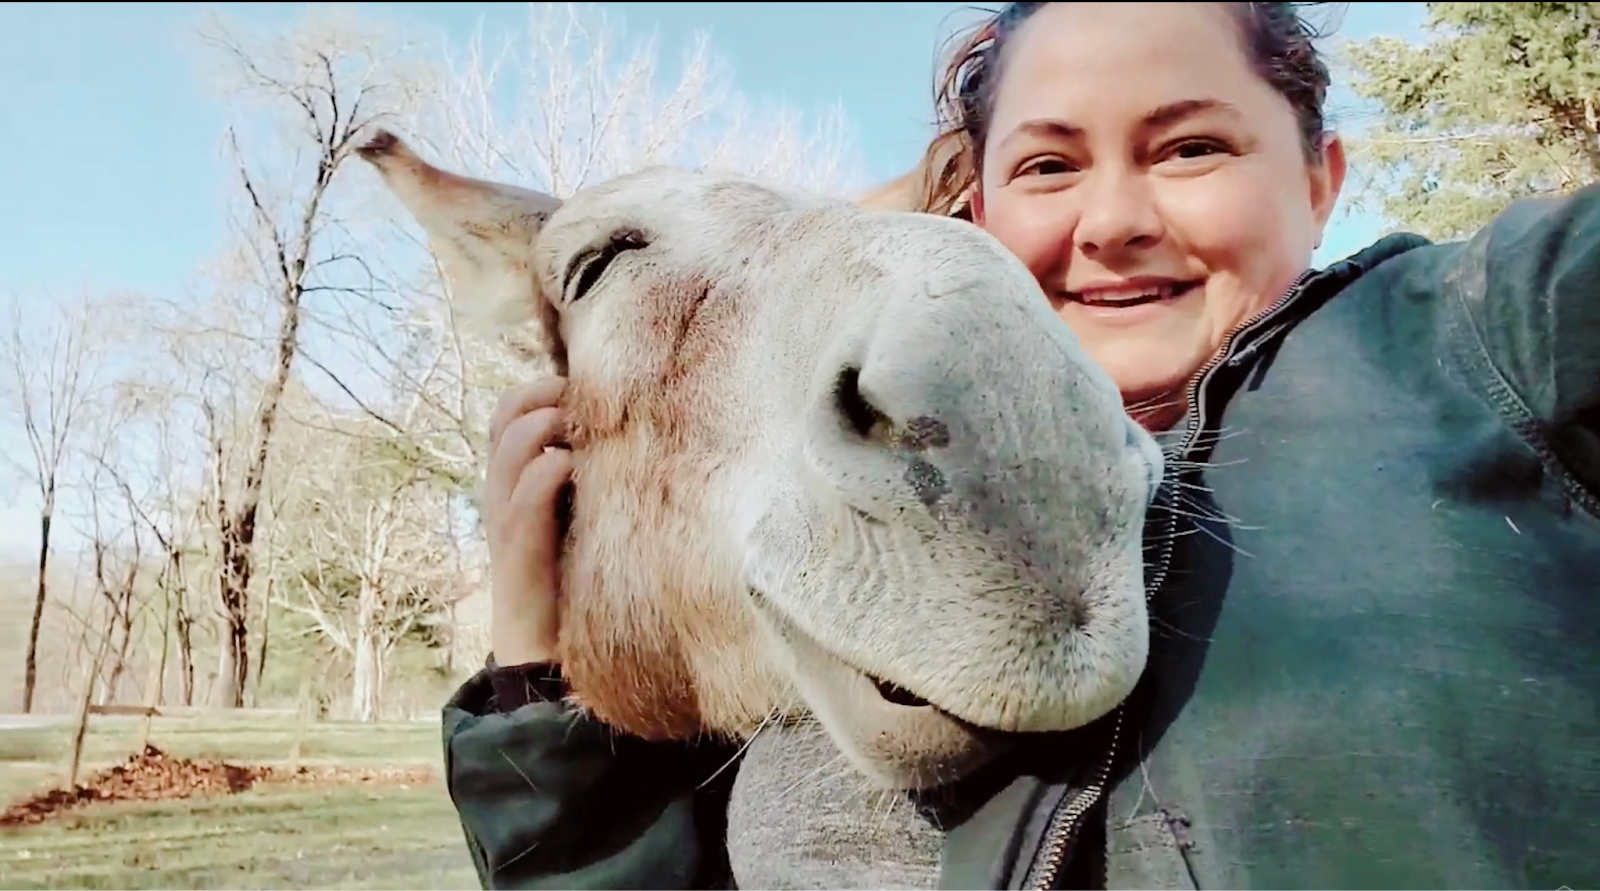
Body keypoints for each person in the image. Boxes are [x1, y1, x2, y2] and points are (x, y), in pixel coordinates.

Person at [441, 2, 1600, 889]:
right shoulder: (840, 516)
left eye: (1190, 148)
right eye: (1046, 165)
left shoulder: (1488, 333)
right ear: (979, 206)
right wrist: (535, 670)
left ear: (1316, 178)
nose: (1110, 223)